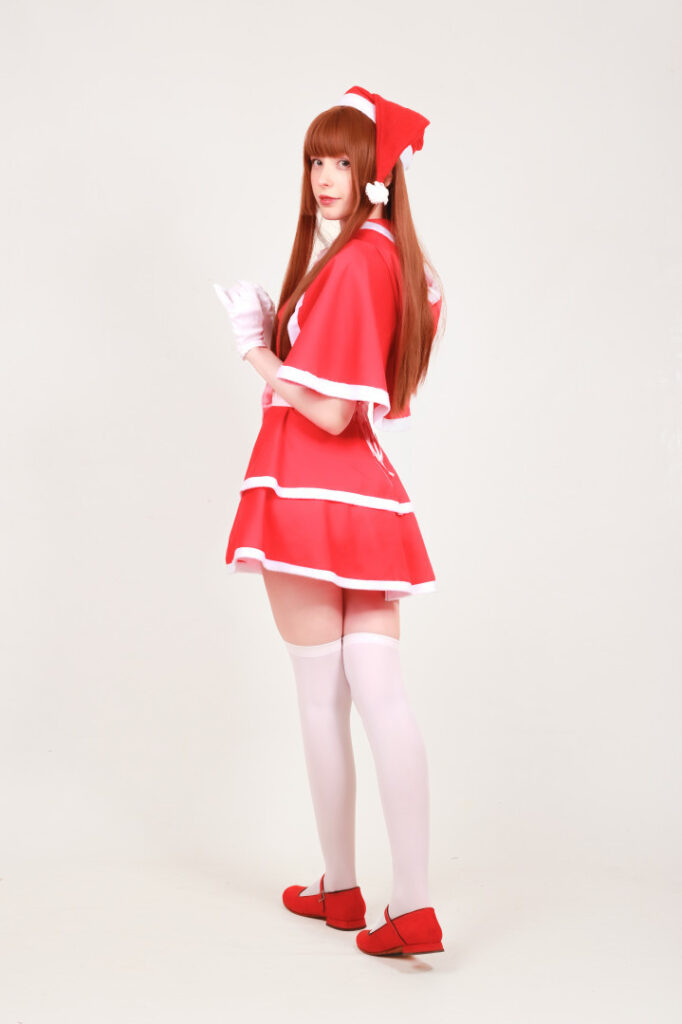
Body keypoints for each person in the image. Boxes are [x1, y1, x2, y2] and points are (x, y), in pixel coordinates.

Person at [214, 85, 446, 957]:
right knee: (381, 694)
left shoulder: (354, 263)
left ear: (373, 173)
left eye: (342, 160)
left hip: (310, 495)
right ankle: (408, 903)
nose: (323, 176)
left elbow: (332, 412)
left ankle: (344, 886)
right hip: (369, 500)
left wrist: (257, 350)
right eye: (316, 159)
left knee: (322, 700)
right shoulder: (391, 258)